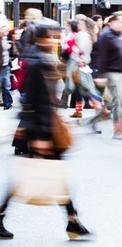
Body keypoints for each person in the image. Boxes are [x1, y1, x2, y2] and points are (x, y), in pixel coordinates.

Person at [0, 17, 92, 240]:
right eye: (52, 36)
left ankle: (73, 221)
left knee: (49, 174)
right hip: (41, 128)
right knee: (38, 176)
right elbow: (31, 101)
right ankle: (72, 222)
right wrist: (39, 134)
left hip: (45, 125)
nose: (56, 39)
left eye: (57, 35)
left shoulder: (43, 58)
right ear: (41, 37)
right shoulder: (38, 61)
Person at [98, 11, 122, 140]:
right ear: (112, 22)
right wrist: (101, 74)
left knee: (110, 101)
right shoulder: (106, 37)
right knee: (119, 101)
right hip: (111, 72)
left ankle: (94, 121)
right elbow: (102, 56)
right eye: (120, 21)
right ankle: (118, 131)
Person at [0, 17, 14, 110]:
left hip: (6, 65)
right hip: (1, 66)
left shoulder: (5, 38)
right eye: (4, 27)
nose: (7, 29)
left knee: (7, 85)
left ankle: (7, 104)